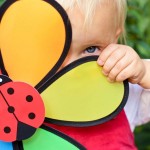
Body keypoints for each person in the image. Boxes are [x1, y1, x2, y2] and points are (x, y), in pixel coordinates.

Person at [47, 0, 150, 149]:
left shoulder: (119, 89)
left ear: (114, 40)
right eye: (53, 49)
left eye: (91, 49)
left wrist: (145, 71)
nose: (71, 68)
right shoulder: (12, 91)